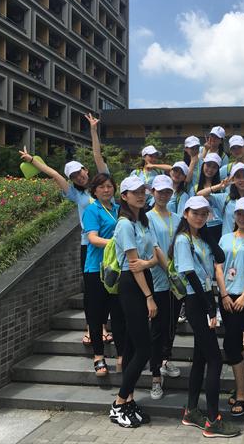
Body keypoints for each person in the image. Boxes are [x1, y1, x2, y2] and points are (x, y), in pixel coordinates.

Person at [18, 112, 111, 345]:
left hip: (110, 244)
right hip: (89, 246)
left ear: (86, 170)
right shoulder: (75, 195)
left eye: (80, 172)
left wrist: (93, 130)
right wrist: (32, 161)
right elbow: (53, 174)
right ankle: (92, 329)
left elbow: (97, 154)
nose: (79, 177)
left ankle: (103, 326)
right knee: (92, 291)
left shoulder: (102, 184)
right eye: (74, 176)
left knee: (108, 288)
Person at [171, 196, 240, 438]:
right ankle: (212, 420)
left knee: (201, 358)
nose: (200, 217)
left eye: (204, 214)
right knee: (215, 360)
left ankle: (191, 411)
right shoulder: (183, 240)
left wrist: (208, 234)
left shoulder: (201, 238)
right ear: (185, 213)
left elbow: (220, 257)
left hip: (206, 297)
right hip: (196, 300)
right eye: (195, 213)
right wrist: (210, 307)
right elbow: (190, 275)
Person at [109, 176, 162, 428]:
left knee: (133, 346)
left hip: (144, 279)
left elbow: (152, 257)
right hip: (132, 285)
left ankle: (128, 401)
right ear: (124, 196)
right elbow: (133, 265)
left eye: (143, 191)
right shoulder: (124, 225)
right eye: (135, 192)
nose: (141, 195)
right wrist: (149, 297)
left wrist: (149, 263)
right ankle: (119, 403)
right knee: (144, 349)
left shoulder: (143, 221)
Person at [217, 197, 244, 417]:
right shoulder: (225, 238)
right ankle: (240, 387)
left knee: (232, 344)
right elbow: (218, 267)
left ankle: (242, 392)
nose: (242, 218)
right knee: (233, 343)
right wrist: (223, 293)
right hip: (226, 295)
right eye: (239, 213)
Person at [81, 173, 125, 376]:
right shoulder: (92, 210)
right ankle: (98, 356)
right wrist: (120, 243)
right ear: (94, 191)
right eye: (101, 187)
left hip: (117, 268)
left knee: (118, 313)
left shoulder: (119, 209)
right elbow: (93, 238)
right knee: (96, 314)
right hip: (96, 269)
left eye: (109, 186)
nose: (106, 190)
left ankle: (122, 354)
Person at [146, 175, 183, 400]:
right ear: (153, 192)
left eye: (168, 191)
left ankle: (166, 359)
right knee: (157, 328)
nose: (164, 195)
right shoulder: (147, 218)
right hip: (158, 279)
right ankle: (155, 377)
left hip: (176, 281)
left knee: (171, 323)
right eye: (160, 191)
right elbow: (154, 247)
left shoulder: (178, 218)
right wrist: (169, 268)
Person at [197, 163, 244, 236]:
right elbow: (199, 195)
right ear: (233, 179)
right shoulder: (225, 199)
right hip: (227, 242)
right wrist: (219, 186)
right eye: (238, 177)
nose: (242, 180)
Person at [193, 153, 224, 241]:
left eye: (214, 167)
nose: (210, 169)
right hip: (199, 225)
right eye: (208, 165)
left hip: (218, 226)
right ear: (203, 165)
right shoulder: (195, 188)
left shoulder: (222, 188)